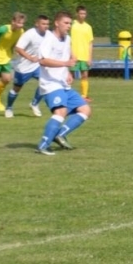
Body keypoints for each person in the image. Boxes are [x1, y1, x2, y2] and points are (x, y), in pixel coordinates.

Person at [33, 12, 92, 156]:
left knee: (85, 110)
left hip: (63, 83)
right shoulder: (49, 39)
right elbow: (43, 60)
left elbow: (66, 58)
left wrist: (68, 72)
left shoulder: (67, 39)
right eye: (66, 23)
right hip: (51, 84)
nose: (69, 26)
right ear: (57, 23)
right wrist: (65, 63)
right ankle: (43, 145)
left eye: (70, 23)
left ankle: (59, 135)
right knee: (61, 112)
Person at [4, 14, 50, 118]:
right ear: (37, 24)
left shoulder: (49, 34)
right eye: (43, 24)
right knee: (16, 89)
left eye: (47, 24)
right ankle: (9, 108)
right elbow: (18, 48)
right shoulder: (29, 34)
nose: (46, 26)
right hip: (23, 67)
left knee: (46, 83)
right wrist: (30, 58)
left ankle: (34, 103)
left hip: (37, 66)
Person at [0, 13, 26, 111]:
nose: (21, 25)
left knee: (7, 79)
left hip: (6, 57)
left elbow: (16, 43)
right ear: (13, 22)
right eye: (19, 23)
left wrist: (17, 50)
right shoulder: (3, 29)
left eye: (22, 24)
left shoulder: (21, 32)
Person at [70, 5, 95, 98]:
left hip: (84, 56)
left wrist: (90, 57)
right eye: (81, 13)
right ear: (77, 14)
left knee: (85, 75)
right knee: (70, 76)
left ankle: (84, 95)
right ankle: (68, 93)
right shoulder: (72, 25)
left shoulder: (88, 27)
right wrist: (71, 53)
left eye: (84, 13)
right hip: (74, 55)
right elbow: (68, 40)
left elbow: (90, 43)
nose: (82, 15)